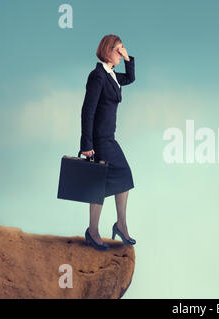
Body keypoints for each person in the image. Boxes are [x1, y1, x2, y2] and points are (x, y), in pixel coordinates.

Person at [80, 34, 136, 251]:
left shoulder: (111, 75)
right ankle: (99, 229)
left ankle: (114, 226)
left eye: (123, 50)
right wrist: (86, 144)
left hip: (109, 138)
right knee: (111, 179)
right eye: (119, 50)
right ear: (108, 50)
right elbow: (88, 110)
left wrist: (127, 56)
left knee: (104, 183)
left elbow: (130, 79)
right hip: (99, 140)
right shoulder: (98, 76)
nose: (122, 54)